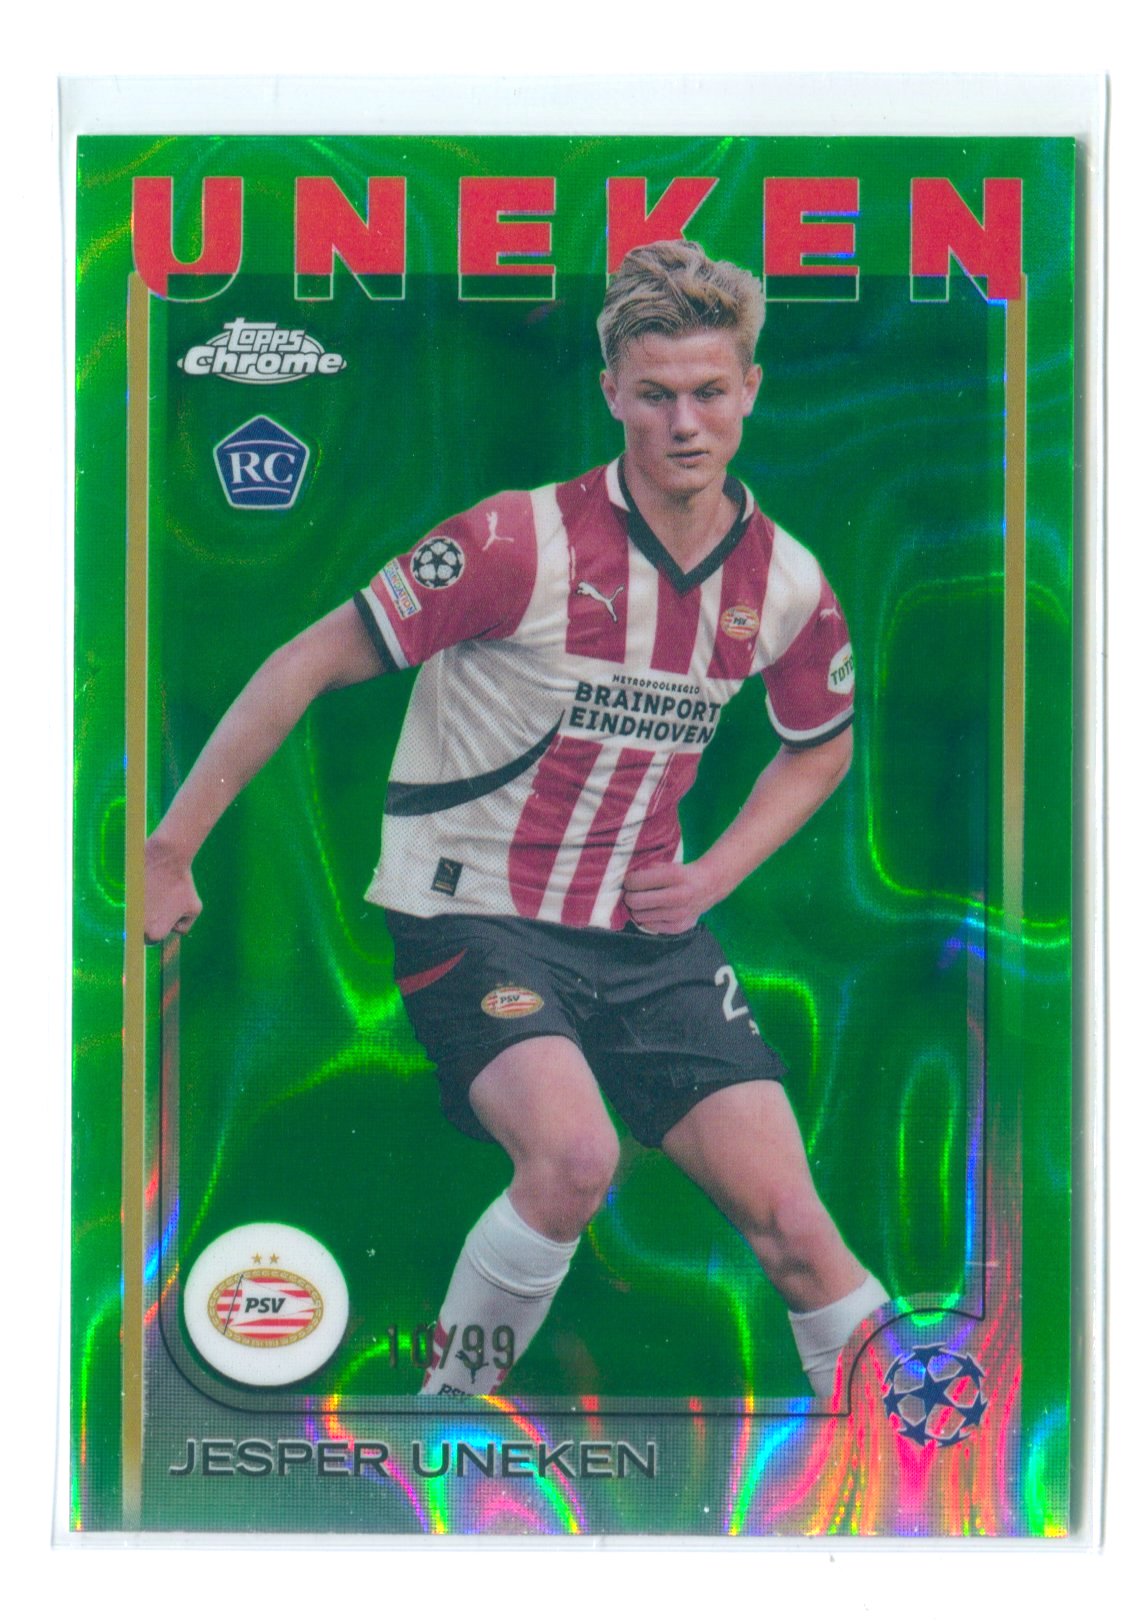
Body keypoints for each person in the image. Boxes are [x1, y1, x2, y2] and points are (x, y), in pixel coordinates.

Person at [145, 240, 887, 1403]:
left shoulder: (785, 581)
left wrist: (713, 876)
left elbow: (822, 744)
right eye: (655, 394)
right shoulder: (515, 543)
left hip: (645, 937)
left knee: (798, 1225)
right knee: (573, 1155)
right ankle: (447, 1416)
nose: (684, 422)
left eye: (708, 391)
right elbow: (306, 660)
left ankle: (908, 1442)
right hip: (475, 914)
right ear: (612, 393)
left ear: (750, 389)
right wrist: (169, 847)